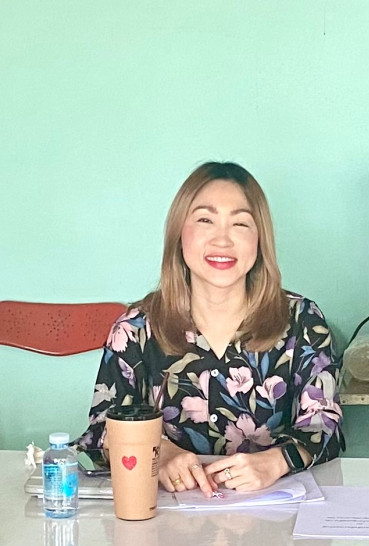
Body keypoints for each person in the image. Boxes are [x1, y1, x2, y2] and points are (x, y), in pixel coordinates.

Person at [76, 162, 344, 495]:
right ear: (179, 233)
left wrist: (275, 462)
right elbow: (100, 433)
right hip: (164, 515)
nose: (222, 239)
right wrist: (159, 452)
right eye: (205, 220)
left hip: (276, 513)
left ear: (259, 240)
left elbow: (324, 427)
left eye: (240, 224)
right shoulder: (135, 329)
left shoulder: (302, 320)